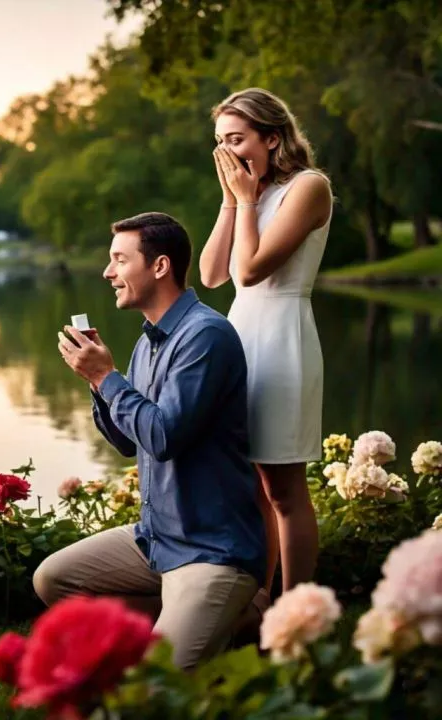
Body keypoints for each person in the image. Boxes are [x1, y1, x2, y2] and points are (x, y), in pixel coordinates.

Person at [33, 211, 266, 671]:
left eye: (120, 260)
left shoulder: (205, 336)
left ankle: (233, 614)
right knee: (54, 580)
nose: (108, 272)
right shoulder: (150, 342)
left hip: (211, 551)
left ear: (159, 266)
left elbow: (163, 438)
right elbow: (127, 442)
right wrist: (99, 382)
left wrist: (106, 376)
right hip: (157, 541)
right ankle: (199, 626)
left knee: (154, 687)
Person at [199, 88, 333, 628]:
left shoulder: (309, 187)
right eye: (220, 143)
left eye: (237, 139)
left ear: (272, 137)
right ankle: (259, 602)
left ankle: (298, 612)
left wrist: (247, 200)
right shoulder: (247, 192)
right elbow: (211, 276)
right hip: (240, 335)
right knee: (250, 483)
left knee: (283, 487)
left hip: (282, 335)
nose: (227, 153)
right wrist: (233, 199)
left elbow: (251, 270)